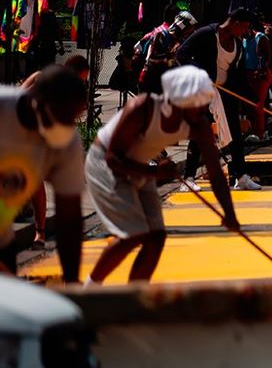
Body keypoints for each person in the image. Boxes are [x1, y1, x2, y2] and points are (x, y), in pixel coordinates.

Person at [86, 66, 239, 284]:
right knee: (132, 235)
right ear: (181, 102)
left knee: (156, 237)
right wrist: (155, 172)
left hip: (141, 167)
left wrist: (229, 213)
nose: (204, 111)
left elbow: (215, 172)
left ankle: (135, 295)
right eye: (199, 106)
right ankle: (87, 291)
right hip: (105, 164)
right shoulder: (144, 108)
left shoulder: (199, 124)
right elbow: (113, 159)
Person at [0, 65, 87, 282]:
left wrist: (72, 284)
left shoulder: (66, 144)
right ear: (36, 100)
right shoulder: (3, 109)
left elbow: (69, 219)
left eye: (70, 119)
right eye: (60, 115)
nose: (64, 125)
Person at [176, 9, 261, 191]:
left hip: (225, 93)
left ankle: (241, 176)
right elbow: (181, 54)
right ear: (235, 23)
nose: (245, 32)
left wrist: (253, 100)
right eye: (244, 27)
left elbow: (240, 76)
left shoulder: (238, 43)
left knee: (235, 134)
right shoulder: (206, 33)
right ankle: (189, 178)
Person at [20, 55, 90, 251]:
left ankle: (40, 232)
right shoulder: (43, 79)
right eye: (82, 79)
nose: (82, 83)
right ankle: (39, 231)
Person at [138, 11, 197, 94]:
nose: (190, 33)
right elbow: (153, 60)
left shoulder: (180, 41)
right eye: (189, 29)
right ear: (182, 26)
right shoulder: (162, 36)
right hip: (151, 82)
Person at [241, 21, 272, 144]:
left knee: (259, 105)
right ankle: (251, 130)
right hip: (248, 74)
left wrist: (262, 72)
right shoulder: (243, 39)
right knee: (249, 105)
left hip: (261, 74)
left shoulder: (260, 38)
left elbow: (268, 57)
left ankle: (260, 133)